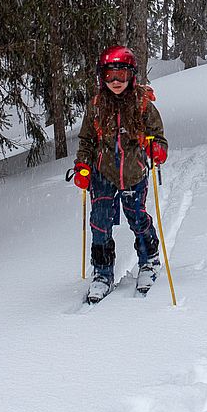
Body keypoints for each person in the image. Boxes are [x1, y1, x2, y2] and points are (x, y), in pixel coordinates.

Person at [71, 45, 168, 303]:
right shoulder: (96, 106)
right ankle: (102, 273)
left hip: (134, 172)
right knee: (99, 223)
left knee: (136, 217)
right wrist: (82, 165)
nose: (116, 82)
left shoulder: (142, 104)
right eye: (110, 75)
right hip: (103, 173)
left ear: (132, 76)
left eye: (122, 76)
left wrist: (156, 149)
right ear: (101, 77)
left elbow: (158, 137)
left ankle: (149, 260)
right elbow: (86, 141)